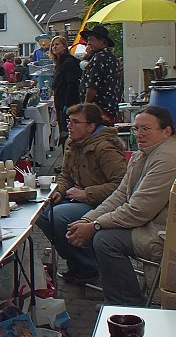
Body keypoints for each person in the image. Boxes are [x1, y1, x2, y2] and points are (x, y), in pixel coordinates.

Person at [65, 106, 176, 305]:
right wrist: (88, 219)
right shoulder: (144, 153)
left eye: (145, 129)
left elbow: (137, 211)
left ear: (166, 131)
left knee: (105, 240)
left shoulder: (168, 159)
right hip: (150, 224)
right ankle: (105, 287)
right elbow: (120, 195)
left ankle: (127, 306)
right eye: (136, 129)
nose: (139, 135)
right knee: (74, 222)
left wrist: (95, 226)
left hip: (168, 234)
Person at [38, 103, 129, 285]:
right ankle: (76, 261)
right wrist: (61, 190)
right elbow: (65, 175)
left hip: (103, 202)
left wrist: (86, 193)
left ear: (91, 127)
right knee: (40, 212)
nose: (69, 126)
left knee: (60, 217)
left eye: (75, 122)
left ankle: (89, 265)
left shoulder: (104, 148)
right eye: (69, 121)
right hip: (79, 198)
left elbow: (123, 184)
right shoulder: (73, 144)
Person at [79, 25, 122, 124]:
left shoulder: (99, 57)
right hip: (109, 107)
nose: (88, 43)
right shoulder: (111, 57)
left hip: (98, 108)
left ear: (103, 41)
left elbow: (92, 85)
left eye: (91, 40)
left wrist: (85, 106)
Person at [49, 35, 81, 141]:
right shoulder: (59, 62)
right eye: (52, 45)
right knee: (63, 131)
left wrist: (67, 104)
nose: (54, 47)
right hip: (60, 103)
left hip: (67, 104)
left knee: (67, 133)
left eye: (57, 44)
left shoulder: (69, 62)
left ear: (64, 46)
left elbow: (71, 84)